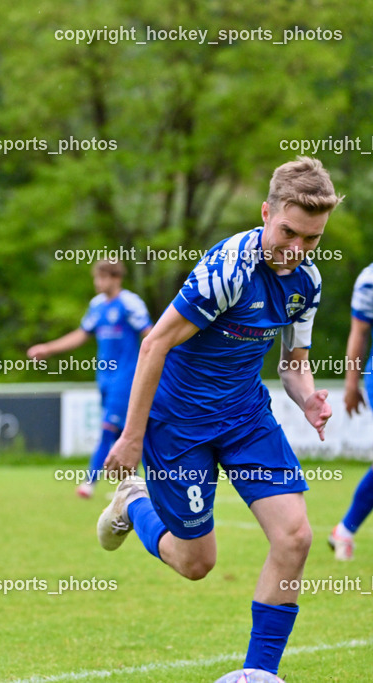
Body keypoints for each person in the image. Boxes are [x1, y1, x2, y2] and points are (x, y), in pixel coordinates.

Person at [96, 156, 340, 677]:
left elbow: (294, 364)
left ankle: (258, 673)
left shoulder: (307, 283)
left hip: (245, 417)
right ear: (265, 213)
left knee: (295, 536)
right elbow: (154, 344)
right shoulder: (228, 271)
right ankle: (133, 502)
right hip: (178, 424)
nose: (296, 251)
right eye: (288, 232)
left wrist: (309, 397)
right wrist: (132, 438)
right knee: (195, 564)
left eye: (312, 240)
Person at [27, 259, 152, 498]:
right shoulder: (97, 305)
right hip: (104, 378)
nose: (98, 282)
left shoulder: (129, 303)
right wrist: (48, 348)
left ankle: (89, 483)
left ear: (116, 278)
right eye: (96, 277)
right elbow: (81, 335)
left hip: (126, 378)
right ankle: (142, 484)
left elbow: (151, 334)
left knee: (109, 429)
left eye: (103, 277)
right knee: (124, 433)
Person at [329, 264, 373, 560]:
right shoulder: (370, 279)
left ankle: (344, 530)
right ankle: (345, 529)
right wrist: (350, 384)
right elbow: (359, 332)